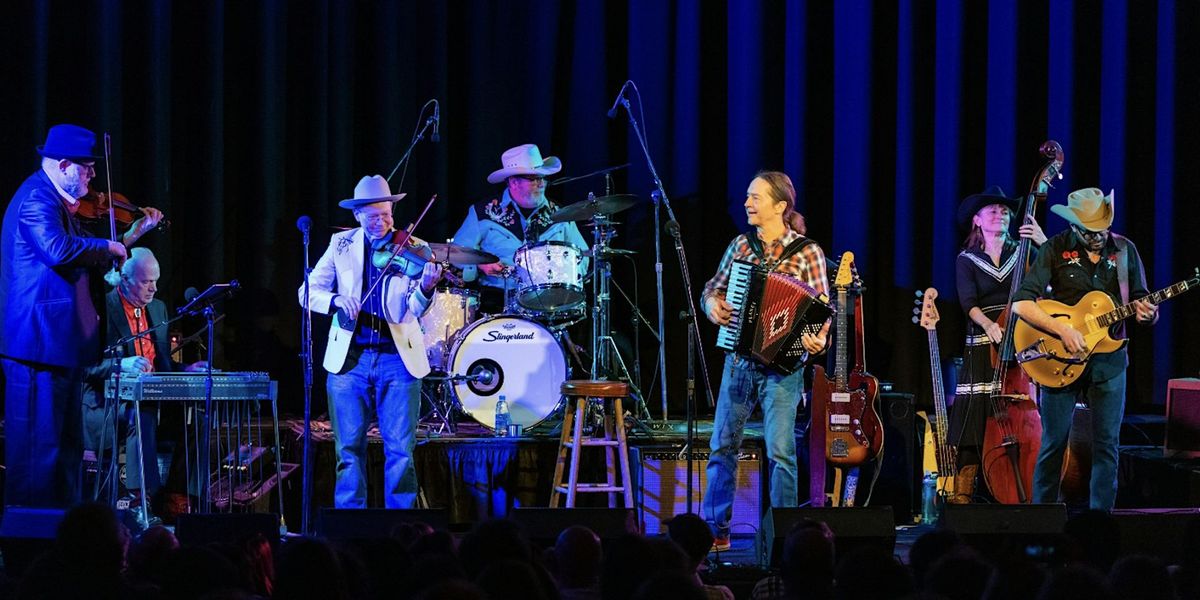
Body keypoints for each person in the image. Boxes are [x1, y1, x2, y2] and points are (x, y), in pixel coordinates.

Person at [0, 124, 130, 508]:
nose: (92, 175)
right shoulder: (37, 199)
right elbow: (57, 250)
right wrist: (107, 245)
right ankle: (30, 549)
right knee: (39, 457)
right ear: (63, 165)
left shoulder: (55, 201)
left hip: (56, 347)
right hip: (37, 347)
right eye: (87, 168)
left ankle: (61, 540)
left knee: (64, 452)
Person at [700, 171, 829, 551]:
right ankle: (715, 530)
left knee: (780, 453)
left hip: (784, 369)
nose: (747, 203)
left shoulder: (807, 252)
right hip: (740, 362)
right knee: (722, 445)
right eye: (747, 196)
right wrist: (712, 307)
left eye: (755, 197)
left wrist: (815, 340)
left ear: (780, 206)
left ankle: (785, 534)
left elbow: (821, 310)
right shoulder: (740, 246)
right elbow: (713, 287)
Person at [298, 175, 442, 508]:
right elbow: (307, 292)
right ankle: (350, 524)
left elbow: (413, 310)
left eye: (387, 215)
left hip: (397, 357)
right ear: (358, 215)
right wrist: (335, 301)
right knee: (348, 450)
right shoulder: (341, 245)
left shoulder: (414, 247)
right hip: (351, 359)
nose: (381, 223)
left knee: (400, 451)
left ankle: (402, 525)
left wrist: (426, 288)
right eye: (373, 217)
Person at [1013, 188, 1157, 511]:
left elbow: (1141, 300)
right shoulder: (1055, 248)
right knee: (1053, 444)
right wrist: (1061, 329)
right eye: (1091, 232)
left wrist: (1149, 314)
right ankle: (1042, 521)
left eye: (1103, 230)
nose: (1098, 237)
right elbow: (1022, 304)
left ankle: (1100, 524)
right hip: (1060, 360)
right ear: (1075, 226)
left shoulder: (1124, 250)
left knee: (1107, 446)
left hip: (1109, 362)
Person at [80, 248, 207, 517]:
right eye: (146, 282)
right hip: (107, 404)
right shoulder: (101, 306)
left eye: (156, 281)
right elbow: (82, 366)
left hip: (152, 398)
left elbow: (162, 364)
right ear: (124, 279)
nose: (154, 288)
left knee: (199, 415)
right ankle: (142, 500)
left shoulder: (158, 308)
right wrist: (120, 365)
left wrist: (187, 369)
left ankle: (179, 495)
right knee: (143, 414)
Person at [949, 185, 1045, 502]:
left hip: (1021, 341)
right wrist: (990, 324)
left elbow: (1045, 282)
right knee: (976, 416)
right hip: (983, 340)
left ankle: (1023, 488)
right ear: (977, 220)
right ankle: (963, 494)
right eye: (992, 210)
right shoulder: (968, 259)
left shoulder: (1024, 252)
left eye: (1004, 211)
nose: (1000, 214)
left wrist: (1042, 243)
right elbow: (968, 302)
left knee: (1020, 412)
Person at [451, 143, 589, 312]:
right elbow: (456, 254)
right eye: (534, 179)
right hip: (495, 304)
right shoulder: (482, 213)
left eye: (543, 178)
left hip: (549, 307)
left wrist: (566, 277)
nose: (541, 184)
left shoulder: (562, 215)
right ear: (514, 182)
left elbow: (583, 256)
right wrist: (480, 265)